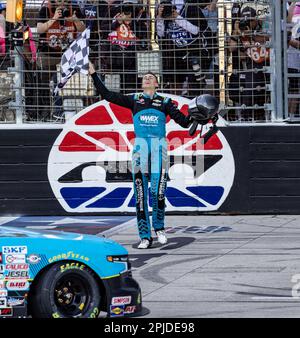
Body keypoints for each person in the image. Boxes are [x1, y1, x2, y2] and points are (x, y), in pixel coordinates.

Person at [88, 62, 193, 249]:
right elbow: (107, 95)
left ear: (157, 84)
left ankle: (159, 227)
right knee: (141, 195)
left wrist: (198, 115)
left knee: (158, 192)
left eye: (151, 77)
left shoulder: (166, 103)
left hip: (159, 148)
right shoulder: (135, 99)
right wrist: (94, 74)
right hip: (140, 150)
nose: (147, 78)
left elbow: (185, 123)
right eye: (144, 77)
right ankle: (145, 236)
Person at [37, 0, 85, 120]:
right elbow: (39, 30)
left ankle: (71, 112)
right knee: (47, 83)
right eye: (59, 1)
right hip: (49, 54)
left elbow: (83, 29)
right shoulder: (45, 9)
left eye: (64, 1)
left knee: (70, 83)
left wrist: (76, 20)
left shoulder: (74, 7)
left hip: (69, 55)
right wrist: (53, 18)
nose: (62, 3)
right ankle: (47, 112)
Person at [156, 0, 212, 97]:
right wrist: (160, 18)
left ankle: (194, 106)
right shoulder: (165, 7)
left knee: (194, 85)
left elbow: (196, 30)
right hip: (175, 53)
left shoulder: (191, 7)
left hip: (193, 51)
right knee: (174, 83)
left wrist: (177, 17)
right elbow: (161, 34)